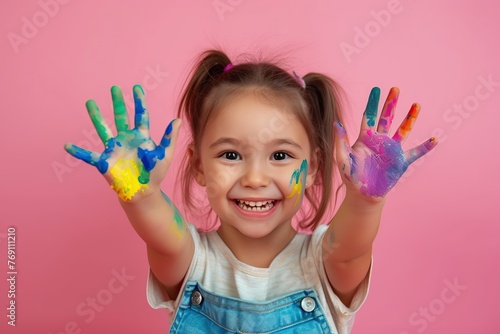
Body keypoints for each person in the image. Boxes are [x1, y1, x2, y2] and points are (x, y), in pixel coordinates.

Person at [65, 49, 437, 333]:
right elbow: (162, 236)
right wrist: (142, 194)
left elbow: (351, 252)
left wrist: (365, 200)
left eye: (280, 155)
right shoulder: (191, 259)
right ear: (198, 165)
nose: (255, 178)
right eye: (231, 154)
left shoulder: (324, 261)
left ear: (311, 168)